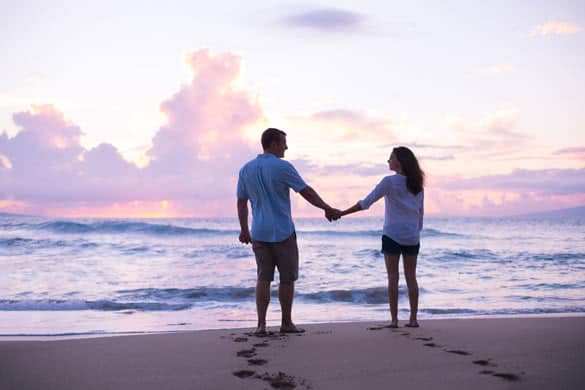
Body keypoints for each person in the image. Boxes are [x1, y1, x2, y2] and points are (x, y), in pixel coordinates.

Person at [237, 128, 339, 335]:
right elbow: (306, 191)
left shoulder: (246, 169)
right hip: (282, 231)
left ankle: (261, 325)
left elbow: (241, 202)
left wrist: (244, 229)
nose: (286, 147)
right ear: (273, 143)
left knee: (263, 278)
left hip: (259, 231)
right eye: (283, 142)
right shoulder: (282, 167)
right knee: (287, 278)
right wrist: (326, 208)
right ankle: (286, 323)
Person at [335, 146, 424, 328]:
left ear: (398, 161)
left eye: (390, 158)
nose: (388, 161)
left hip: (392, 234)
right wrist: (415, 232)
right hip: (412, 236)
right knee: (411, 277)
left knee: (393, 277)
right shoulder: (417, 185)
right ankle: (413, 319)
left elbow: (365, 203)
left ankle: (394, 320)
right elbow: (420, 214)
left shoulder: (389, 182)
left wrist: (342, 213)